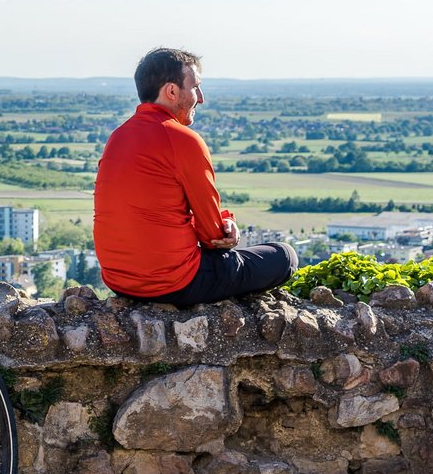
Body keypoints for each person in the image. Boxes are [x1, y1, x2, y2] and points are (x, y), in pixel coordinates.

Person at [93, 47, 297, 307]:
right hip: (174, 283)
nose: (200, 98)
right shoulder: (182, 139)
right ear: (172, 91)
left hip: (118, 280)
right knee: (285, 256)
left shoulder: (118, 136)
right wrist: (227, 226)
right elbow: (213, 236)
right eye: (196, 87)